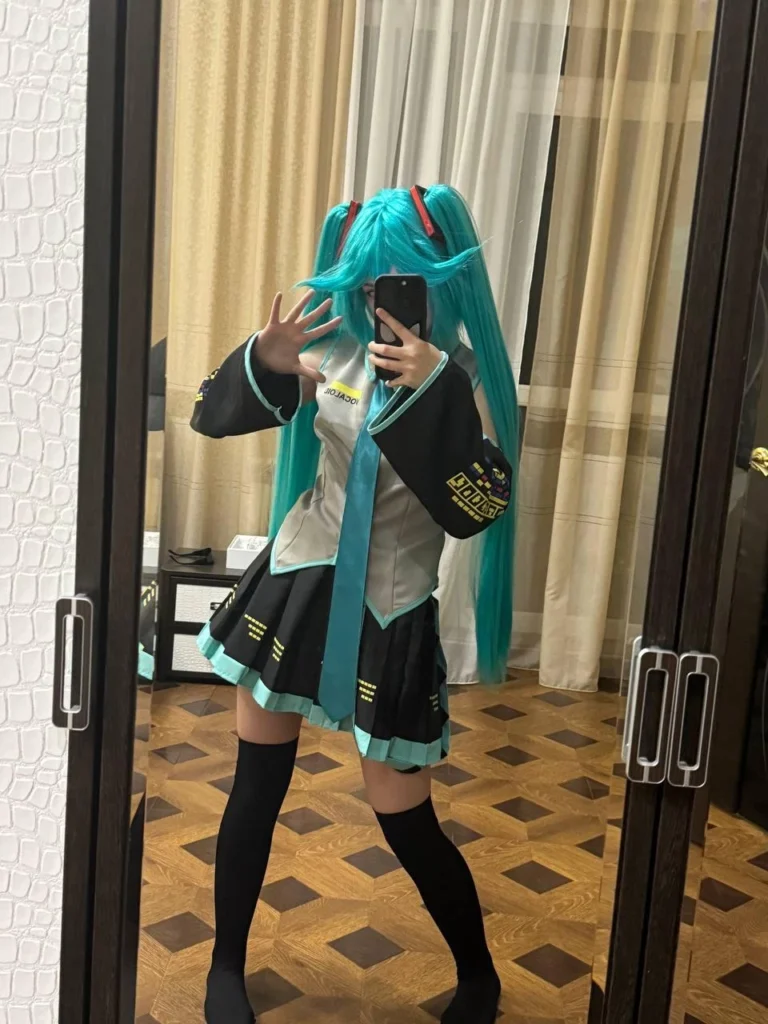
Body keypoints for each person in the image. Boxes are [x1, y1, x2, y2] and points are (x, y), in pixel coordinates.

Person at [191, 185, 519, 1024]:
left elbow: (476, 509)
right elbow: (208, 417)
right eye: (369, 284)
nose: (382, 301)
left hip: (391, 610)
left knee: (406, 821)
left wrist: (438, 394)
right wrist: (263, 359)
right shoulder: (332, 354)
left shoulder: (465, 379)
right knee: (254, 789)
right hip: (300, 584)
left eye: (401, 283)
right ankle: (225, 968)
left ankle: (479, 976)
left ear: (442, 283)